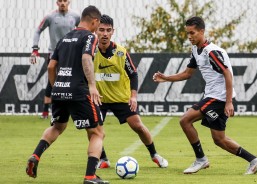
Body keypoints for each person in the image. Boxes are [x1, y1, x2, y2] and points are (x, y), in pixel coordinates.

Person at [153, 16, 257, 175]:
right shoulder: (195, 50)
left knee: (185, 120)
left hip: (218, 98)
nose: (189, 36)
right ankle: (254, 161)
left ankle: (201, 159)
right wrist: (166, 78)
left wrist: (228, 103)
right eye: (187, 33)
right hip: (214, 97)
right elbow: (187, 73)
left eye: (192, 33)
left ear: (202, 31)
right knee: (219, 139)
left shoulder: (211, 52)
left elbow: (227, 74)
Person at [26, 6, 109, 184]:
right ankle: (90, 176)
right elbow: (86, 59)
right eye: (98, 25)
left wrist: (57, 87)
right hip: (79, 91)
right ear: (94, 21)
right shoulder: (89, 37)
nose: (98, 29)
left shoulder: (64, 38)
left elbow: (50, 66)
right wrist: (92, 86)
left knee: (57, 127)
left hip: (59, 91)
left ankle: (35, 155)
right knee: (97, 133)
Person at [94, 14, 168, 169]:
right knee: (94, 130)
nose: (105, 34)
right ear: (96, 30)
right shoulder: (90, 52)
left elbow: (133, 74)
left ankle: (154, 154)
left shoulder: (121, 52)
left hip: (121, 98)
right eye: (101, 30)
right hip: (99, 99)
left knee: (138, 126)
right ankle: (103, 159)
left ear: (113, 31)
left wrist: (133, 97)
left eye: (108, 30)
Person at [30, 0, 80, 119]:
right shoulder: (50, 17)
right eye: (60, 1)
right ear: (57, 2)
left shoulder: (76, 16)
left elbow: (82, 30)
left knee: (72, 78)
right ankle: (46, 111)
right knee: (52, 80)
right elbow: (38, 30)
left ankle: (72, 109)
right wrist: (35, 49)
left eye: (65, 1)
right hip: (54, 53)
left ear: (69, 2)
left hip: (70, 53)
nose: (63, 3)